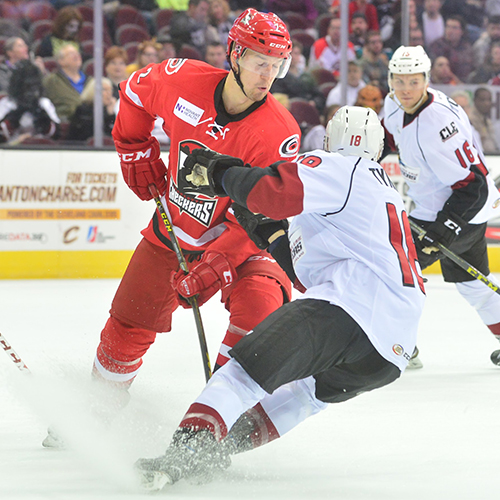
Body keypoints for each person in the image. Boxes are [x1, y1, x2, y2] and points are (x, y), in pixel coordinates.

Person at [41, 8, 300, 447]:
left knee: (259, 312)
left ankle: (215, 420)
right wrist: (133, 147)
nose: (268, 75)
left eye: (277, 66)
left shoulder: (278, 132)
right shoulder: (183, 81)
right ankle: (97, 410)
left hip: (247, 244)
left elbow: (270, 213)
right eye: (261, 62)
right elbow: (136, 93)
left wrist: (219, 262)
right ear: (234, 54)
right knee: (127, 322)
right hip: (175, 226)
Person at [133, 105, 426, 490]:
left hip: (348, 309)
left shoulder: (337, 167)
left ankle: (186, 453)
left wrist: (218, 172)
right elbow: (305, 273)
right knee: (304, 396)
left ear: (327, 140)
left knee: (241, 375)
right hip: (391, 351)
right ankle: (215, 449)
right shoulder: (380, 189)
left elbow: (272, 190)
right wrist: (270, 235)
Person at [382, 45, 500, 368]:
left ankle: (398, 348)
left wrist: (443, 231)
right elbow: (389, 138)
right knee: (473, 285)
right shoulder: (392, 103)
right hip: (441, 208)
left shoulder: (438, 124)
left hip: (460, 212)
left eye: (414, 81)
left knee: (394, 273)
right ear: (391, 79)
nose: (406, 89)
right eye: (400, 81)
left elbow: (472, 186)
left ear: (426, 79)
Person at [0, 60, 60, 144]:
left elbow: (56, 134)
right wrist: (15, 116)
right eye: (27, 87)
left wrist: (42, 117)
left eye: (33, 86)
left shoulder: (44, 103)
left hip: (41, 149)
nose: (30, 92)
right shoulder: (7, 104)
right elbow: (2, 136)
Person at [43, 44, 93, 123]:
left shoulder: (91, 81)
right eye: (71, 54)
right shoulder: (52, 81)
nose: (76, 56)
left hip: (90, 122)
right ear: (60, 61)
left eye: (77, 53)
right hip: (66, 123)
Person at [66, 78, 116, 142]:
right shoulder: (83, 109)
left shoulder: (111, 109)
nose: (109, 93)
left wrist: (111, 115)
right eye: (104, 89)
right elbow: (89, 133)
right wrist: (107, 114)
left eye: (111, 89)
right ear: (93, 91)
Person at [428, 15, 474, 82]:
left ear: (462, 31)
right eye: (448, 27)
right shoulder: (436, 46)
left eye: (454, 28)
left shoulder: (467, 48)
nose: (450, 31)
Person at [468, 87, 500, 154]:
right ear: (475, 100)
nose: (487, 103)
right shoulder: (470, 119)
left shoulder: (487, 120)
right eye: (482, 100)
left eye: (489, 100)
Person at [359, 30, 389, 95]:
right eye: (373, 42)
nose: (377, 45)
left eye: (379, 42)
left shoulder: (384, 63)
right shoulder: (361, 65)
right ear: (367, 45)